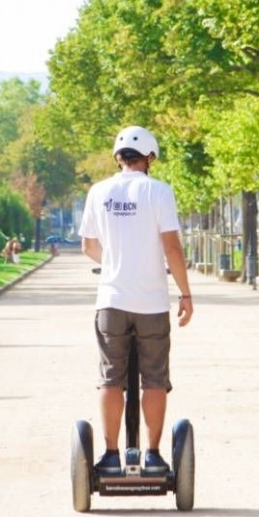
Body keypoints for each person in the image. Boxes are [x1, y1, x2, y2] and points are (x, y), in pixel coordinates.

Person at [78, 125, 194, 476]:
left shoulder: (98, 192)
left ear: (118, 157)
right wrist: (186, 292)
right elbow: (172, 247)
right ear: (150, 157)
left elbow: (88, 246)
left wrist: (115, 261)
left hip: (111, 300)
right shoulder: (158, 191)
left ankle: (112, 454)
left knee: (111, 379)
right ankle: (154, 455)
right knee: (154, 379)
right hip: (152, 303)